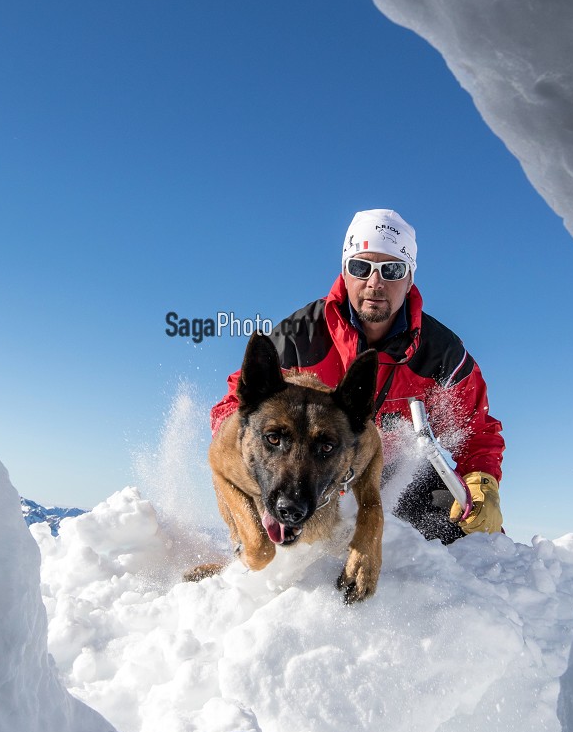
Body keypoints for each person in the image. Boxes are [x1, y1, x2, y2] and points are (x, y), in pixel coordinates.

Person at [211, 208, 504, 543]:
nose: (374, 283)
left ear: (409, 280)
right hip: (310, 474)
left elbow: (476, 430)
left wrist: (484, 482)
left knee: (456, 530)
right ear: (345, 272)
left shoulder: (440, 354)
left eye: (392, 270)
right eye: (361, 267)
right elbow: (237, 404)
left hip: (395, 476)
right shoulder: (300, 337)